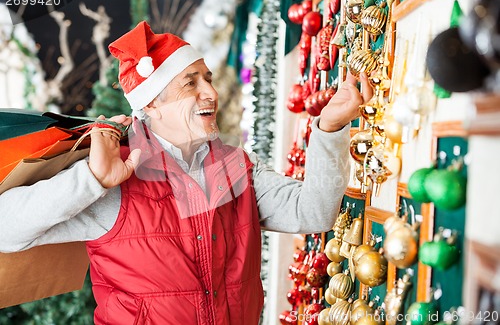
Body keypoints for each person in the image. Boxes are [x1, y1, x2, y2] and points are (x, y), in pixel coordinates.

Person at [0, 21, 373, 325]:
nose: (210, 92)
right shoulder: (110, 175)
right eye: (190, 83)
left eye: (207, 79)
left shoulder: (237, 168)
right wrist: (91, 180)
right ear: (152, 103)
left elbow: (315, 212)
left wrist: (330, 128)